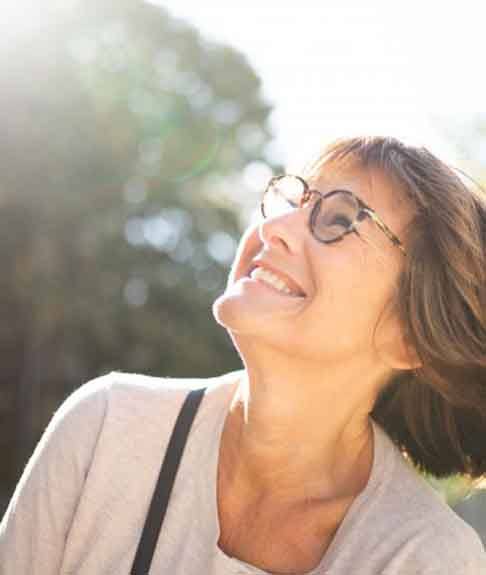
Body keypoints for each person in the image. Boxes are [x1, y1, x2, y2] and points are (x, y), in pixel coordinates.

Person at [1, 136, 486, 574]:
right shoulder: (106, 429)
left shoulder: (427, 560)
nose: (275, 227)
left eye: (339, 219)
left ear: (412, 336)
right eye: (293, 200)